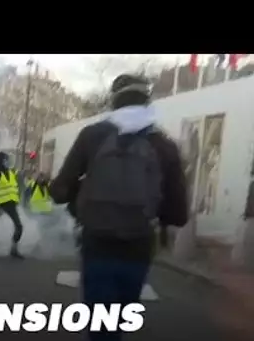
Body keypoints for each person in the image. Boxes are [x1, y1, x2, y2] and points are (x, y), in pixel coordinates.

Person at [49, 74, 188, 341]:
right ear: (147, 101)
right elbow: (178, 213)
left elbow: (58, 191)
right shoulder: (164, 144)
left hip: (97, 242)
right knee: (120, 322)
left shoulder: (92, 136)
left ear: (114, 101)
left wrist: (81, 195)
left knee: (99, 325)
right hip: (138, 245)